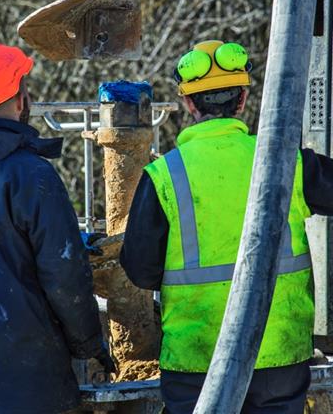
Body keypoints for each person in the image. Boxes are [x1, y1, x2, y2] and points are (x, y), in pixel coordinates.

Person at [121, 39, 333, 414]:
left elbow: (140, 270)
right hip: (278, 354)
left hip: (196, 358)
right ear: (242, 100)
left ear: (188, 104)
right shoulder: (289, 162)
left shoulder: (164, 176)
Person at [0, 42, 113, 414]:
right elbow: (64, 274)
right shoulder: (31, 174)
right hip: (32, 384)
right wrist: (90, 348)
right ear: (19, 99)